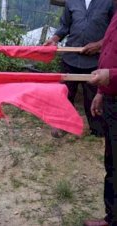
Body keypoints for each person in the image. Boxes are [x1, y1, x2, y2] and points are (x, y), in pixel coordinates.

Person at [44, 0, 114, 138]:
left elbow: (114, 31)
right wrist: (54, 39)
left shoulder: (110, 2)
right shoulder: (72, 1)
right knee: (64, 94)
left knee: (93, 97)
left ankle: (97, 129)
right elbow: (64, 26)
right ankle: (62, 124)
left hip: (95, 61)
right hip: (70, 58)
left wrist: (100, 44)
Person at [85, 10, 117, 226]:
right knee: (113, 161)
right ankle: (112, 218)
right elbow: (108, 50)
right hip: (111, 98)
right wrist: (101, 92)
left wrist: (112, 76)